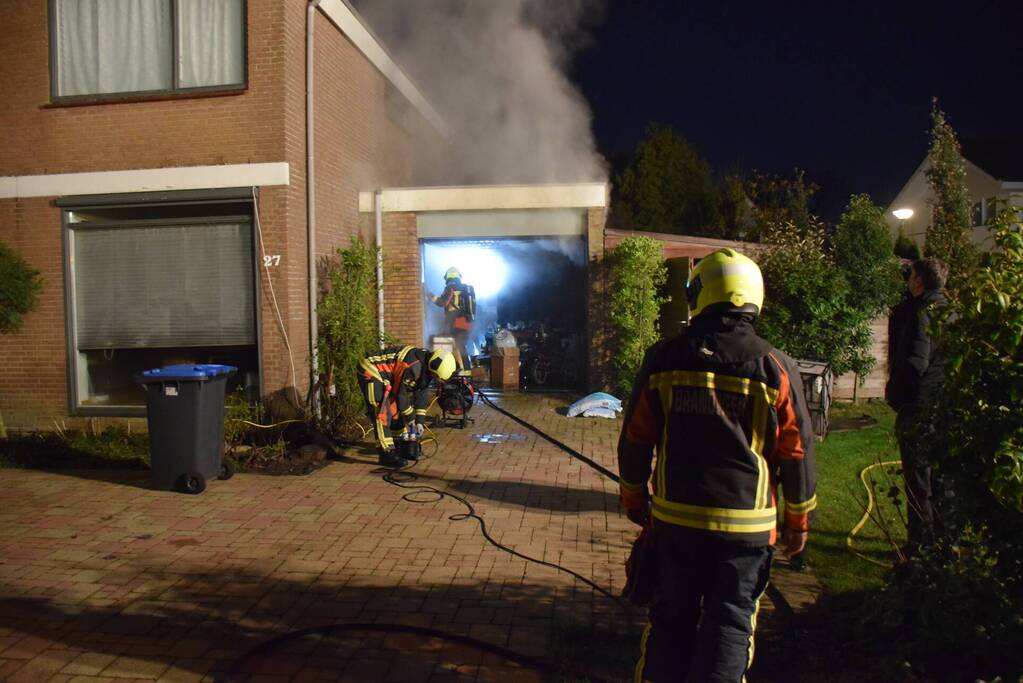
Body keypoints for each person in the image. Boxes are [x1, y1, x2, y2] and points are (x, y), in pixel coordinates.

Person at [618, 248, 817, 682]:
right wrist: (799, 523)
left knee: (670, 623)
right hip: (747, 530)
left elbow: (636, 437)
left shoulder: (665, 359)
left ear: (701, 295)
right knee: (730, 625)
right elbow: (797, 450)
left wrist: (634, 496)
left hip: (676, 525)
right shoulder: (776, 367)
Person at [885, 256, 948, 554]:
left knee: (918, 478)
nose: (908, 281)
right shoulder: (952, 311)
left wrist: (899, 399)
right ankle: (944, 541)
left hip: (919, 409)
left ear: (920, 281)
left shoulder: (923, 314)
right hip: (945, 408)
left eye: (911, 276)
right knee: (940, 476)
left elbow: (914, 364)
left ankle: (919, 544)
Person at [357, 345, 455, 467]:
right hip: (371, 369)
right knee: (382, 410)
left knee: (395, 410)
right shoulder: (413, 367)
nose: (435, 380)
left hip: (387, 375)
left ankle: (398, 444)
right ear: (433, 367)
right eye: (436, 377)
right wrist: (411, 419)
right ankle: (386, 453)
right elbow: (402, 396)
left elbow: (421, 393)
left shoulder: (426, 365)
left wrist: (419, 420)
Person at [429, 267, 476, 372]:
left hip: (455, 320)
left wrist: (429, 295)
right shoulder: (465, 288)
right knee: (461, 346)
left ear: (448, 277)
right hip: (465, 320)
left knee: (449, 344)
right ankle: (465, 370)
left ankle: (455, 370)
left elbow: (442, 302)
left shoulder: (451, 287)